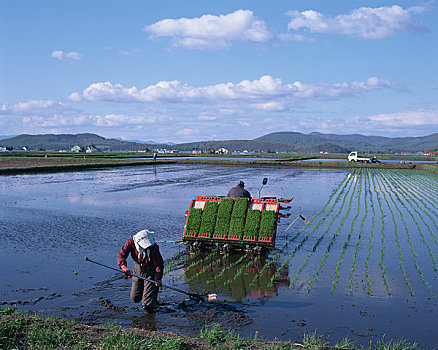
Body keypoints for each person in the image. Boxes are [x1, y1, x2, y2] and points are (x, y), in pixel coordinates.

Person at [117, 229, 164, 313]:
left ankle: (150, 302)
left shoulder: (154, 247)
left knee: (148, 305)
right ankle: (151, 297)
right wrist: (124, 267)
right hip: (137, 269)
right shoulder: (131, 242)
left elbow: (159, 264)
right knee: (135, 298)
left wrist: (158, 278)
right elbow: (121, 255)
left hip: (151, 272)